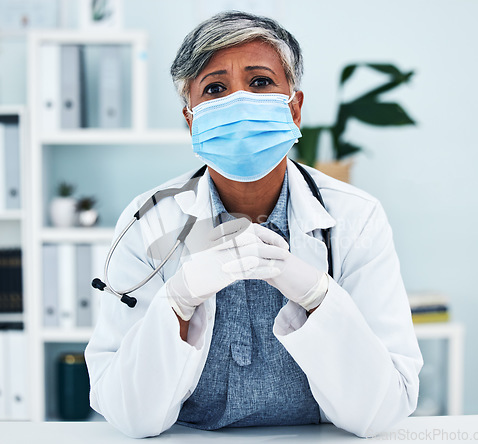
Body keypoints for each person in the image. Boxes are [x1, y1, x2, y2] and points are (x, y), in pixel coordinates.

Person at [85, 10, 423, 439]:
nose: (238, 101)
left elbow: (382, 410)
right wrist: (178, 301)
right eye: (214, 89)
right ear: (191, 119)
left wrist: (318, 296)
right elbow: (128, 413)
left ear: (295, 108)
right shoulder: (149, 222)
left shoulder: (356, 218)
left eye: (260, 81)